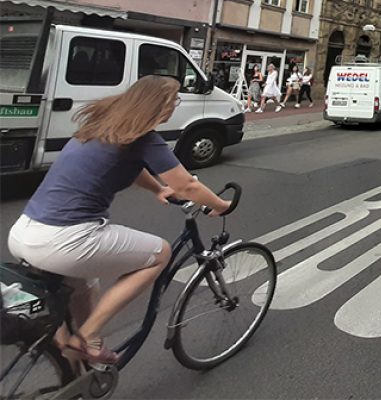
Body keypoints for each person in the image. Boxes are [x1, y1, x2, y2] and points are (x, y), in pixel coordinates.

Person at [7, 76, 231, 364]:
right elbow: (188, 186)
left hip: (25, 232)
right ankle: (83, 339)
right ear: (158, 105)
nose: (174, 107)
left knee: (85, 286)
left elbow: (131, 168)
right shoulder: (145, 139)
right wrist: (221, 206)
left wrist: (158, 188)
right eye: (173, 102)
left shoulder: (102, 127)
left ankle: (79, 371)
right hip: (64, 239)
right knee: (160, 253)